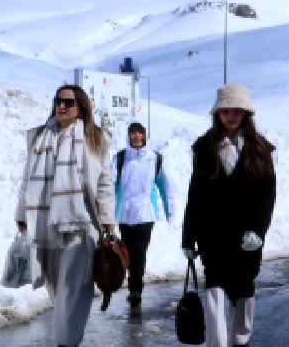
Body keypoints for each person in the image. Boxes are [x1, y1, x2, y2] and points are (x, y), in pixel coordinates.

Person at [15, 85, 116, 347]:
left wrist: (107, 220)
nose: (62, 106)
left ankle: (66, 342)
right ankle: (67, 339)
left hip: (80, 225)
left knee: (75, 289)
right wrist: (21, 214)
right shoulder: (39, 137)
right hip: (45, 224)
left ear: (80, 106)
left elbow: (104, 182)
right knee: (56, 290)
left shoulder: (95, 138)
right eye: (58, 101)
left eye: (68, 102)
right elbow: (27, 179)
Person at [181, 83, 276, 347]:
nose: (231, 116)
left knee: (243, 294)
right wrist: (188, 237)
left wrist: (258, 231)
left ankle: (241, 342)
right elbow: (195, 195)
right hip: (213, 237)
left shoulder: (261, 150)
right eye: (225, 112)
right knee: (215, 292)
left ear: (246, 113)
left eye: (236, 111)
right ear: (217, 114)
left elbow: (267, 197)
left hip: (247, 239)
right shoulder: (204, 148)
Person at [111, 121, 174, 309]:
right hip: (124, 215)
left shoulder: (155, 159)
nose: (136, 136)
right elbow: (108, 184)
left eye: (140, 133)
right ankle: (134, 285)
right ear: (129, 136)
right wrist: (105, 212)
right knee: (127, 254)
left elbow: (167, 187)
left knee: (139, 253)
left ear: (145, 136)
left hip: (146, 215)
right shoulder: (120, 158)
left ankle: (135, 290)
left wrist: (171, 215)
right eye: (133, 133)